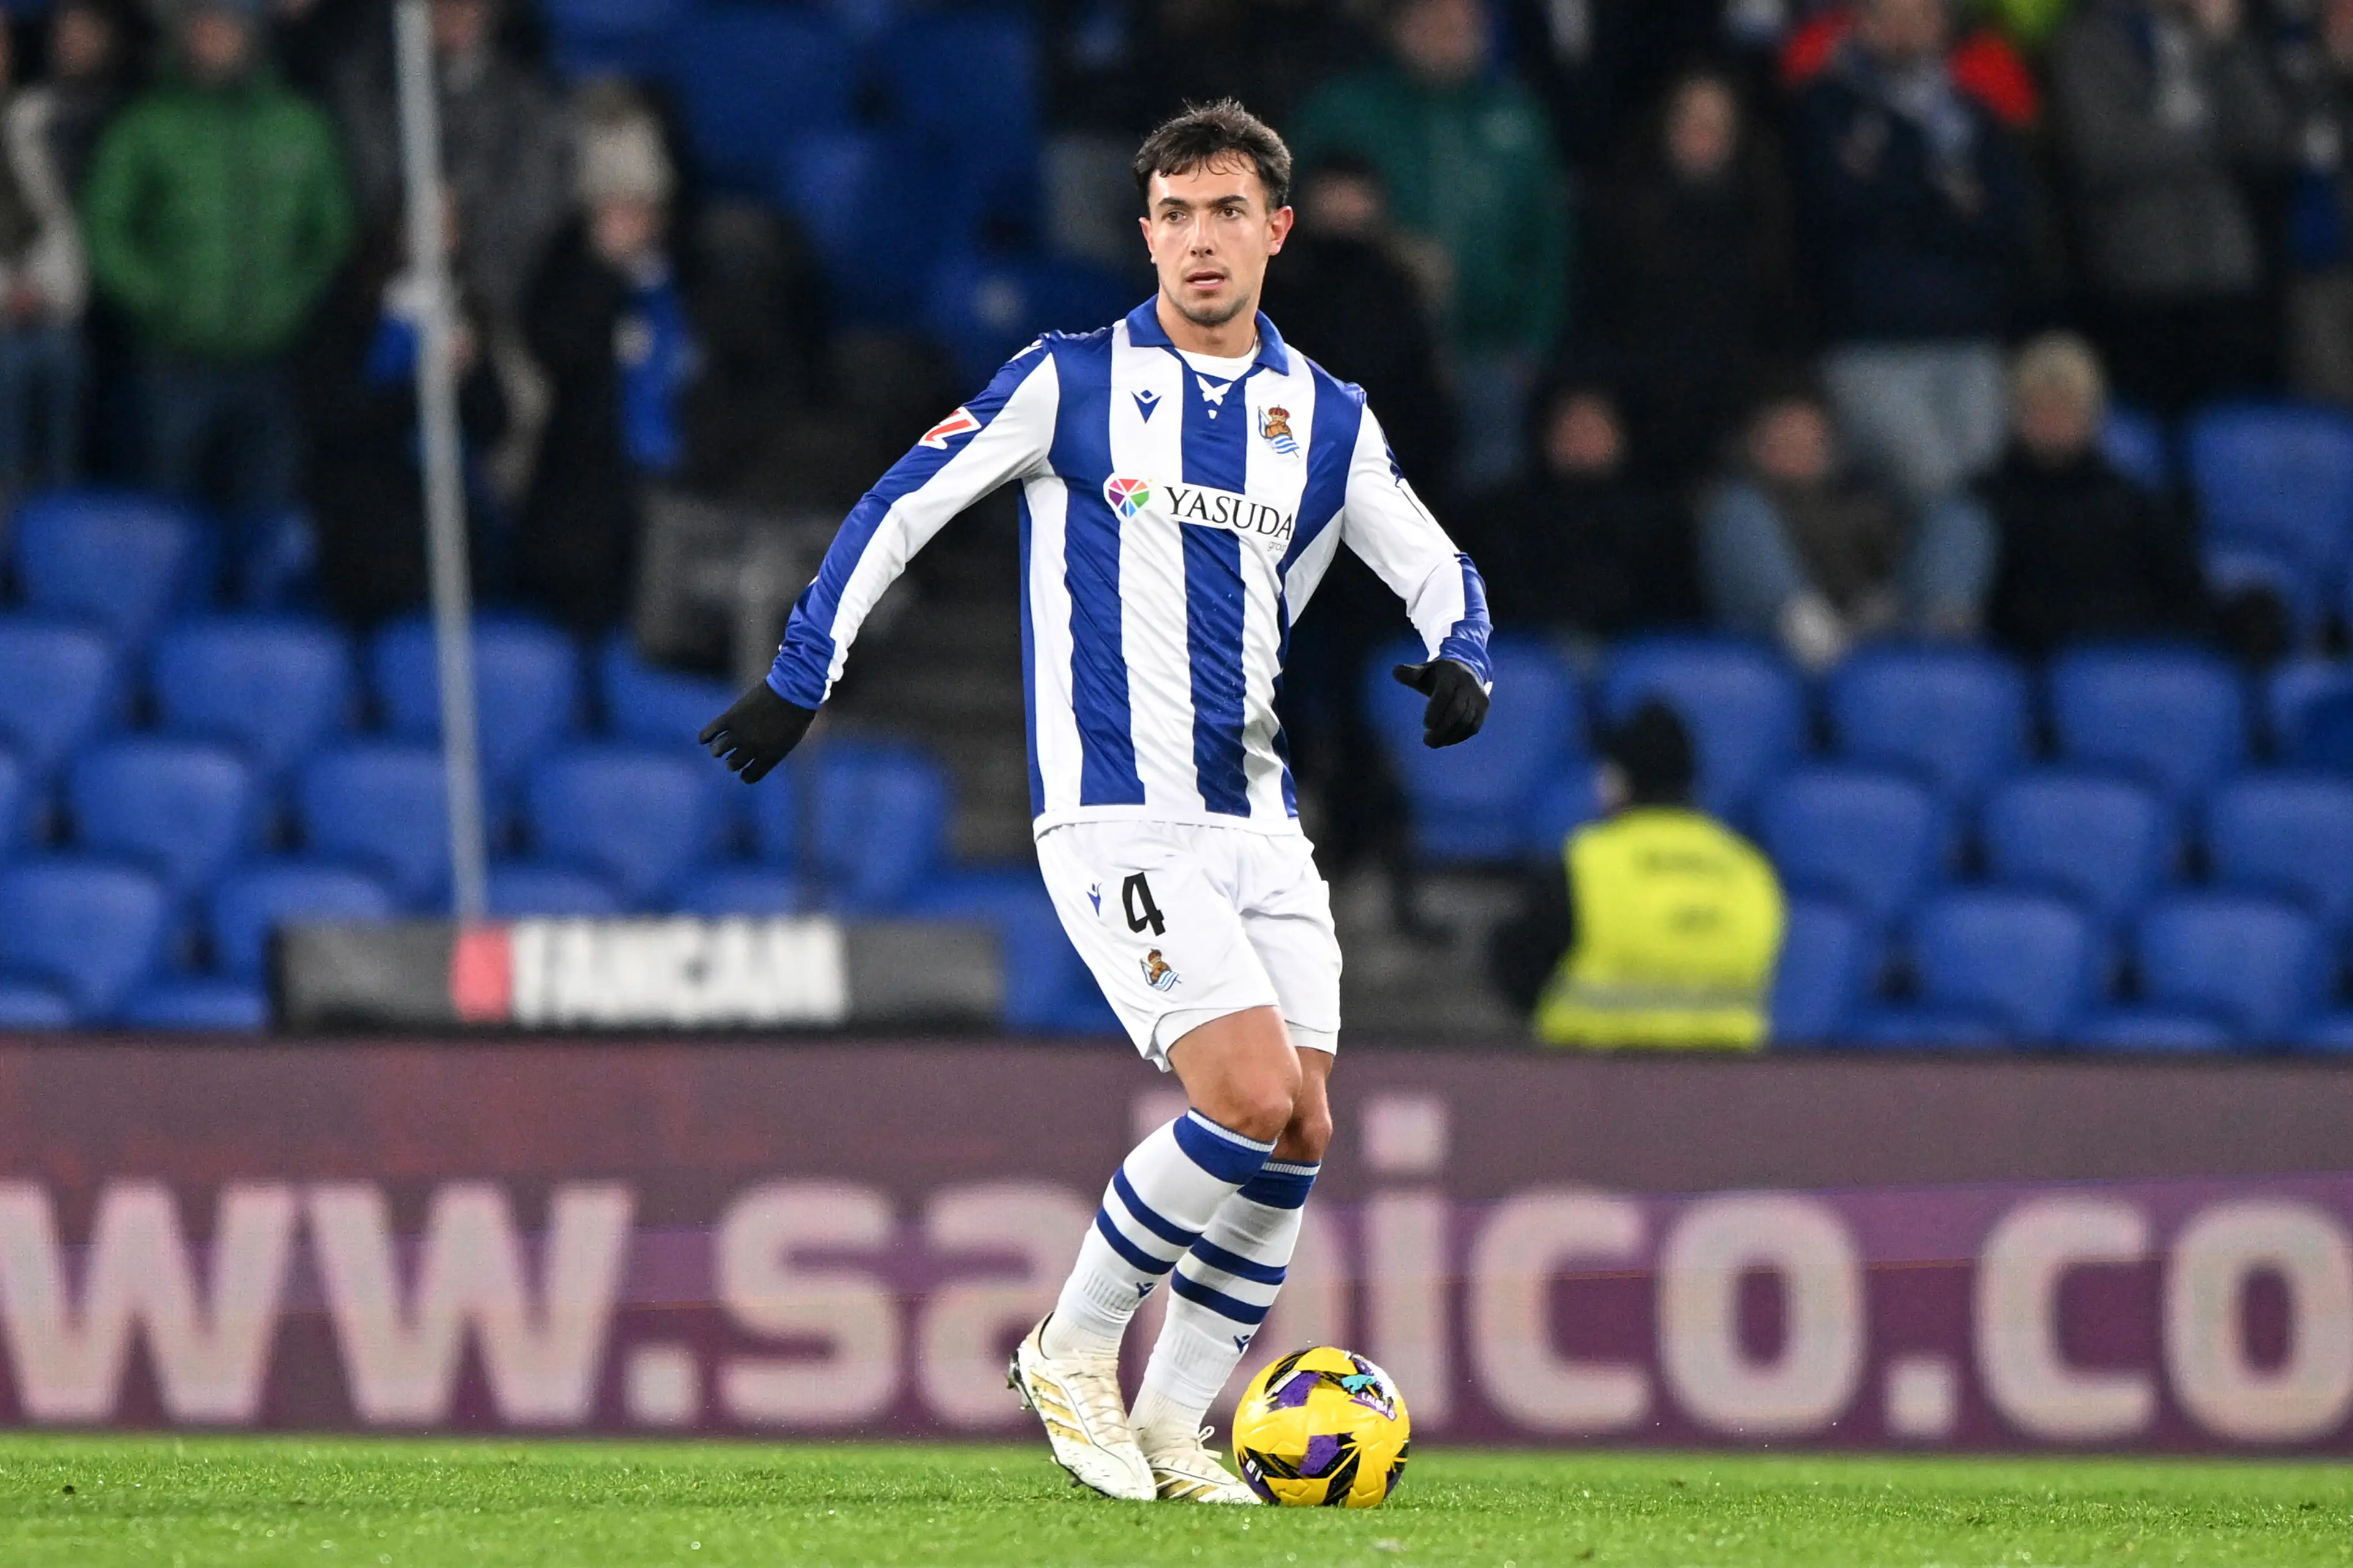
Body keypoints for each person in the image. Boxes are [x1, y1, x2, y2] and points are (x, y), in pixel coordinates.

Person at [699, 101, 1492, 1504]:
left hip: (1258, 817)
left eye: (1226, 212)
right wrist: (801, 671)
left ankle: (1180, 1425)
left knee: (1303, 1124)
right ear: (1144, 233)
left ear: (1274, 232)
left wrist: (1460, 653)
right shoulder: (1065, 379)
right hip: (1117, 814)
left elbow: (1429, 556)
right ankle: (1070, 1349)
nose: (1199, 239)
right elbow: (902, 501)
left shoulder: (1322, 415)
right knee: (1242, 1095)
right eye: (1175, 214)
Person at [82, 0, 352, 519]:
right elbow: (106, 228)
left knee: (265, 514)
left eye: (224, 27)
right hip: (173, 362)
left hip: (272, 363)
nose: (211, 40)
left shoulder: (299, 125)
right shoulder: (146, 126)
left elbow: (331, 232)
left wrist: (291, 302)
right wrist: (159, 300)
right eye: (200, 28)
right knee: (164, 516)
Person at [1292, 0, 1571, 493]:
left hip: (1489, 360)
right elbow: (1300, 213)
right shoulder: (1346, 109)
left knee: (1486, 513)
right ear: (1400, 26)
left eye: (1467, 23)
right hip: (1378, 363)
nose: (1454, 35)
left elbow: (1549, 243)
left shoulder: (1516, 115)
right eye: (1436, 22)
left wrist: (1530, 348)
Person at [1789, 0, 2033, 510]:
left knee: (1982, 496)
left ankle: (1943, 593)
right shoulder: (1823, 106)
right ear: (1860, 22)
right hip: (1871, 346)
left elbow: (2005, 220)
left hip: (1967, 339)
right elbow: (1835, 208)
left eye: (1920, 15)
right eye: (1888, 15)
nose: (1904, 31)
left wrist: (1891, 189)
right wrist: (1945, 199)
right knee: (1936, 491)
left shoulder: (1972, 113)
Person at [1492, 700, 1787, 1049]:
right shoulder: (1750, 868)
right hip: (1724, 1086)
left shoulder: (1586, 863)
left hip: (1594, 1082)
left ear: (1617, 782)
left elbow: (1521, 971)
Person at [2050, 0, 2289, 414]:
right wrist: (2208, 142)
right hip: (2142, 275)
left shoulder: (2211, 41)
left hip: (2224, 271)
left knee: (2233, 425)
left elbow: (2266, 138)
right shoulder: (2086, 42)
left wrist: (2226, 48)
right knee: (2157, 422)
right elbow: (2104, 152)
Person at [518, 96, 695, 631]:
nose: (630, 220)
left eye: (641, 206)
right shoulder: (569, 271)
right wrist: (603, 273)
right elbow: (558, 351)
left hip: (681, 496)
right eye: (614, 208)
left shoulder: (694, 271)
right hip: (588, 506)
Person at [1579, 67, 1807, 482]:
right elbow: (1594, 320)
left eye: (1716, 124)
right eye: (1690, 120)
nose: (1702, 135)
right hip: (1636, 420)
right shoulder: (1620, 214)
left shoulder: (1764, 218)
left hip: (1739, 426)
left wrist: (1778, 405)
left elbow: (1784, 331)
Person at [297, 198, 509, 629]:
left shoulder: (463, 310)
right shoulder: (350, 307)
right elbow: (337, 416)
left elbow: (494, 423)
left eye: (448, 228)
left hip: (448, 515)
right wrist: (425, 382)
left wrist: (465, 375)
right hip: (363, 522)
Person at [1700, 384, 1994, 670]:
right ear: (1756, 444)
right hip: (1777, 635)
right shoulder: (1737, 502)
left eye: (1808, 441)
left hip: (1870, 624)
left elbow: (1894, 561)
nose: (1797, 450)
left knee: (1960, 515)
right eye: (1783, 440)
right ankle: (1806, 625)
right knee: (1738, 513)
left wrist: (1877, 602)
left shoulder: (1861, 495)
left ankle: (1944, 635)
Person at [332, 0, 569, 326]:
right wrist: (404, 217)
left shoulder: (527, 104)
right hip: (382, 307)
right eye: (442, 7)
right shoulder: (373, 88)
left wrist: (475, 305)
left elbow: (531, 208)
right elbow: (364, 181)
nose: (456, 14)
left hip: (490, 313)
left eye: (468, 6)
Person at [1979, 331, 2214, 656]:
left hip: (2124, 669)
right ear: (2015, 413)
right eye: (2039, 406)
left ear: (2094, 415)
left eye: (2066, 407)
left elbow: (2188, 603)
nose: (2052, 422)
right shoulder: (1982, 506)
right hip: (2020, 668)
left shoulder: (2135, 506)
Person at [1463, 382, 1699, 641]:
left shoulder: (1658, 519)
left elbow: (1672, 606)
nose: (1581, 437)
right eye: (1571, 424)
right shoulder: (1501, 517)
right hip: (1533, 649)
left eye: (1594, 426)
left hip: (1635, 651)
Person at [0, 21, 92, 502]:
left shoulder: (39, 119)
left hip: (54, 316)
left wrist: (52, 290)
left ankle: (53, 564)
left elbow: (65, 220)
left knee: (62, 469)